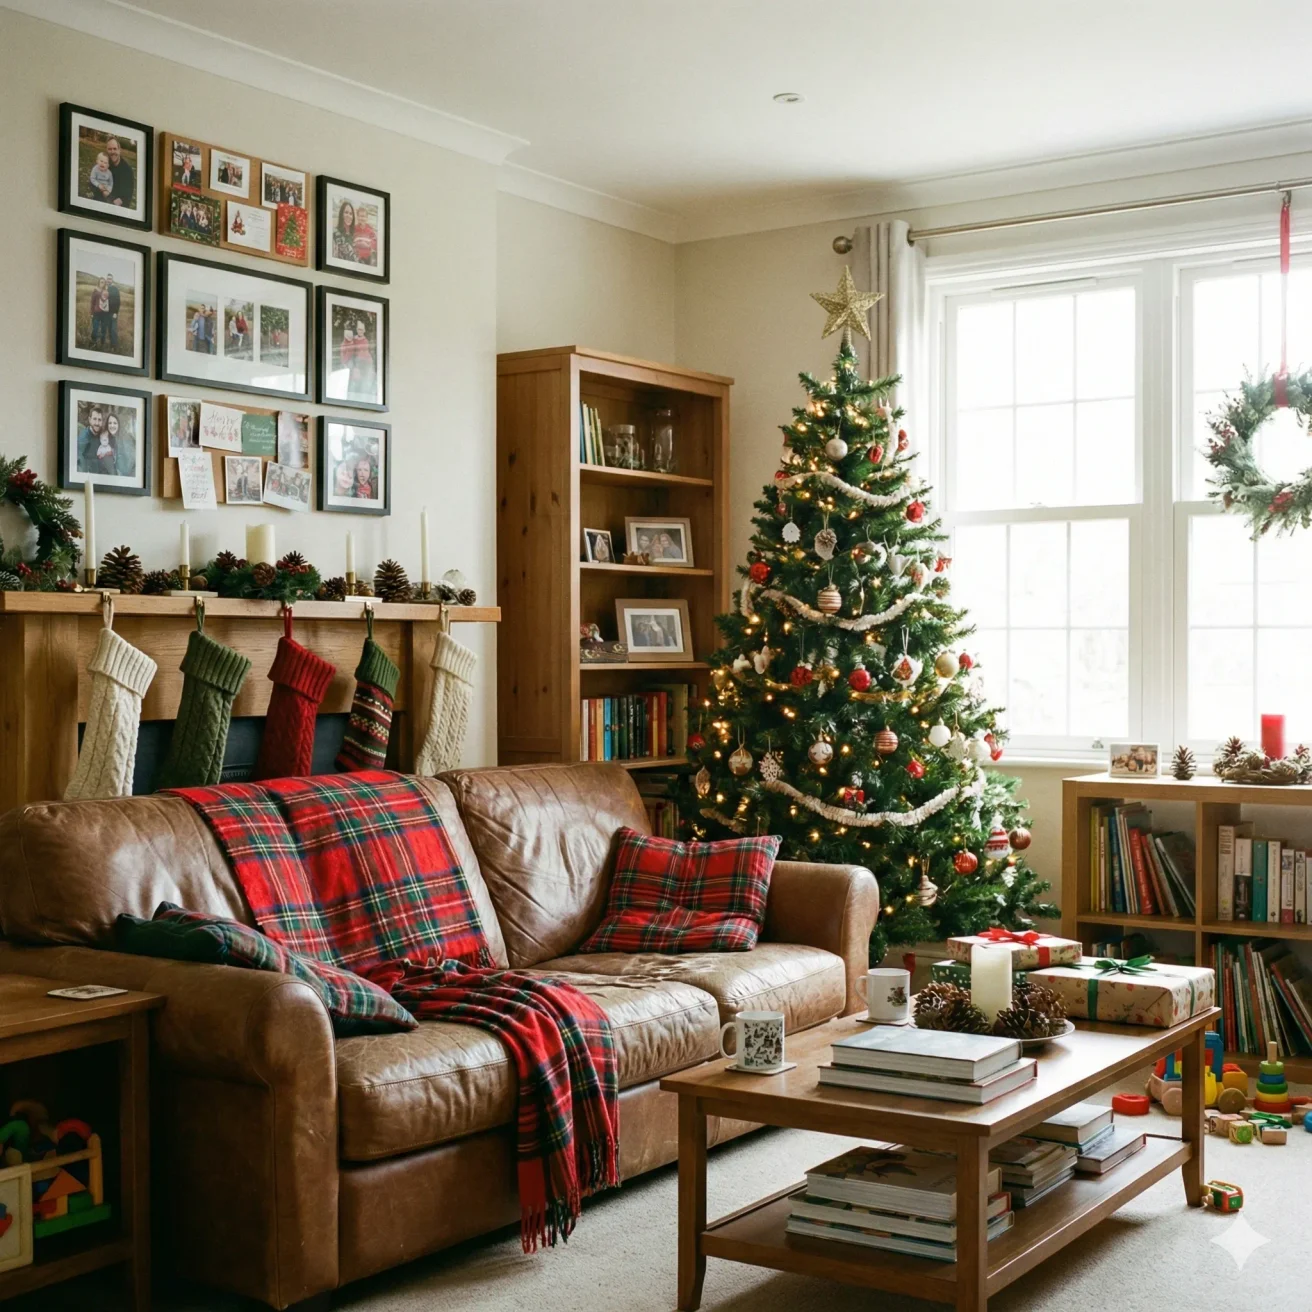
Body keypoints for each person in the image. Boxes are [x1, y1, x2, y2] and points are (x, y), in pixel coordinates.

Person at [105, 137, 134, 208]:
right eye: (110, 149)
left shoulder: (127, 171)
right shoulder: (104, 164)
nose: (112, 152)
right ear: (106, 150)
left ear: (119, 150)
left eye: (115, 149)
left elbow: (127, 197)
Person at [105, 276, 120, 352]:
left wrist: (115, 312)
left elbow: (118, 302)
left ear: (112, 280)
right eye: (107, 278)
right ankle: (110, 346)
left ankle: (114, 347)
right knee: (108, 329)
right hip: (105, 313)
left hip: (113, 313)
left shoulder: (115, 289)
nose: (108, 280)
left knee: (113, 329)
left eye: (110, 279)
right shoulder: (105, 288)